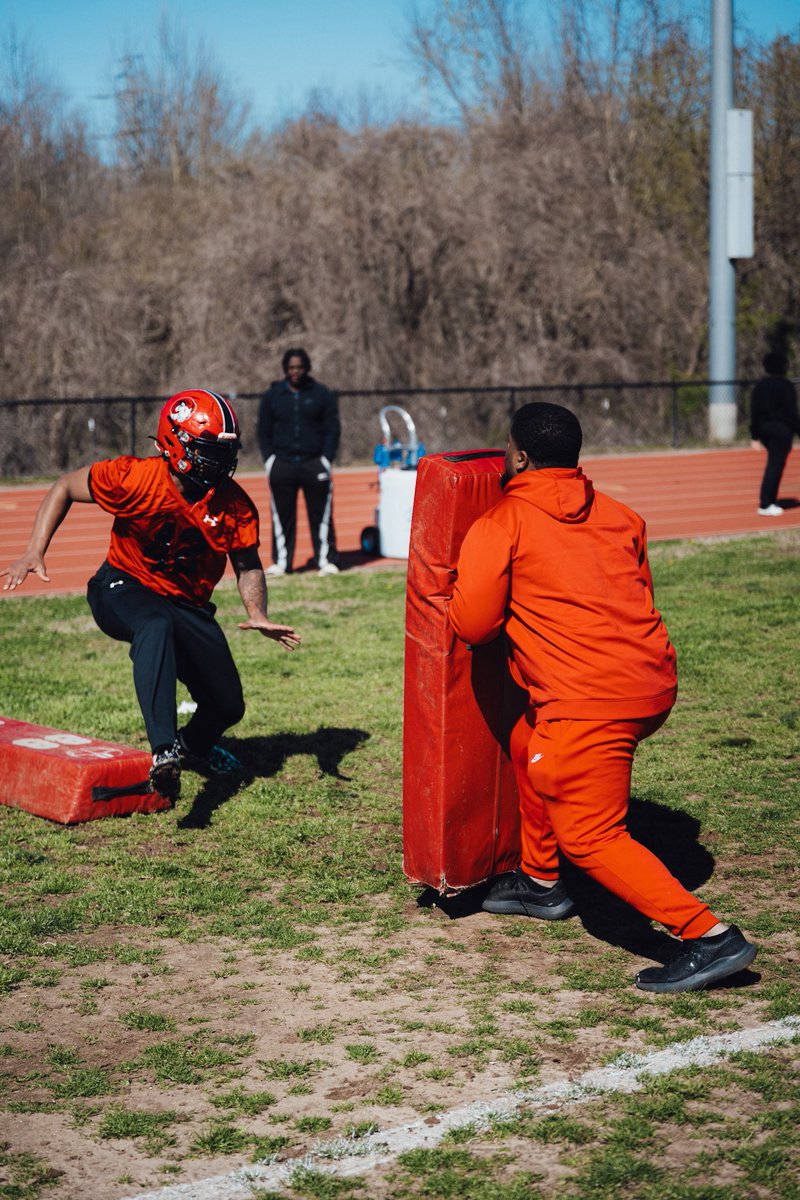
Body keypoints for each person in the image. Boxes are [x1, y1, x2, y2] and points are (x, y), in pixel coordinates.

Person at [447, 401, 757, 994]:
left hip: (590, 697)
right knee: (527, 740)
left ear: (518, 456)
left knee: (590, 834)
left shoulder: (501, 522)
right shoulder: (621, 514)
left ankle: (709, 938)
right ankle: (541, 883)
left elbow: (474, 625)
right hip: (651, 682)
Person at [1, 389, 301, 802]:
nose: (220, 461)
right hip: (122, 585)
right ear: (176, 443)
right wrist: (35, 548)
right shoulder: (135, 477)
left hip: (186, 603)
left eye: (223, 452)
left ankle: (190, 747)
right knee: (153, 624)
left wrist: (258, 611)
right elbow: (65, 486)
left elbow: (246, 563)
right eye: (209, 450)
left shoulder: (233, 505)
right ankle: (163, 753)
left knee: (227, 704)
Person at [257, 348, 341, 576]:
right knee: (282, 516)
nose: (296, 371)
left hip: (314, 463)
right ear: (286, 369)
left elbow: (332, 428)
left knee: (321, 514)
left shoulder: (321, 394)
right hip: (282, 464)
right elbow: (263, 430)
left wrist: (326, 459)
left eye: (300, 367)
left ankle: (326, 560)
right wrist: (270, 460)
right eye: (292, 367)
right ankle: (282, 563)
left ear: (306, 368)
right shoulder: (273, 396)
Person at [750, 351, 800, 516]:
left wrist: (754, 436)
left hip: (765, 430)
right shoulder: (785, 385)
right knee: (775, 466)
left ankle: (770, 500)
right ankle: (766, 503)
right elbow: (792, 412)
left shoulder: (760, 385)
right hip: (781, 430)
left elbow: (754, 412)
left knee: (775, 464)